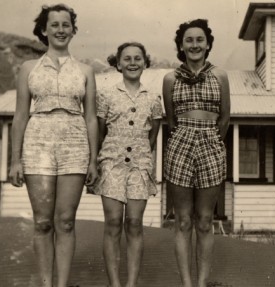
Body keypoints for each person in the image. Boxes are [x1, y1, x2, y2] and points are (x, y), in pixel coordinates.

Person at [9, 4, 98, 287]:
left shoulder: (85, 70)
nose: (61, 29)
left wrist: (93, 159)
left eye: (66, 24)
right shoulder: (27, 68)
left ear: (73, 30)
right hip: (37, 145)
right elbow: (20, 115)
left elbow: (92, 118)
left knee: (66, 221)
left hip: (75, 145)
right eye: (55, 25)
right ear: (44, 30)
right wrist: (15, 160)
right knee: (43, 222)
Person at [163, 19, 230, 287]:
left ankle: (202, 283)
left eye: (199, 39)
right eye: (189, 40)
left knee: (204, 220)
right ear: (181, 45)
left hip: (211, 145)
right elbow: (170, 120)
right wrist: (187, 138)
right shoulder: (169, 79)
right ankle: (187, 284)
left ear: (208, 44)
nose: (194, 45)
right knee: (182, 220)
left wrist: (211, 142)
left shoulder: (220, 76)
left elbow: (224, 119)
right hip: (180, 145)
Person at [94, 42, 162, 287]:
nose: (132, 62)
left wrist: (142, 156)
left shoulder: (153, 98)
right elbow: (99, 132)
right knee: (113, 222)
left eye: (138, 58)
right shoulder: (107, 95)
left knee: (134, 223)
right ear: (118, 64)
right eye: (127, 59)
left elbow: (153, 134)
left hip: (139, 166)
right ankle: (115, 284)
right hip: (112, 164)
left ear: (145, 63)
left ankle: (131, 284)